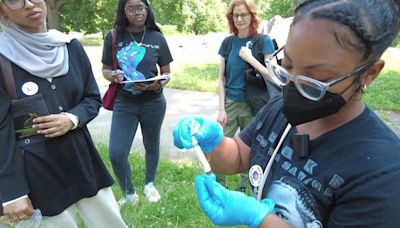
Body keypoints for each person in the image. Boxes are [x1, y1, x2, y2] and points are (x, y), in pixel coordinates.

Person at [173, 0, 400, 227]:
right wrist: (215, 142)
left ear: (369, 73)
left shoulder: (383, 172)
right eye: (288, 65)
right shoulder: (277, 109)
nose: (292, 85)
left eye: (316, 79)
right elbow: (240, 157)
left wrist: (260, 219)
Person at [0, 0, 127, 227]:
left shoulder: (70, 47)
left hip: (82, 161)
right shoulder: (2, 58)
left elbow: (91, 98)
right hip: (37, 175)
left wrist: (71, 119)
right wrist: (13, 192)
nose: (29, 4)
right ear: (3, 11)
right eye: (15, 0)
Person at [101, 0, 173, 206]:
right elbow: (106, 69)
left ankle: (150, 184)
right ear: (123, 12)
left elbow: (166, 73)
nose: (137, 12)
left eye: (140, 7)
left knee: (151, 145)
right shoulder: (113, 36)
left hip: (153, 101)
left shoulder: (157, 37)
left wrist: (155, 85)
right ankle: (129, 193)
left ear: (147, 9)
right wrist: (112, 75)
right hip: (125, 102)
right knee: (116, 153)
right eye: (131, 8)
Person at [216, 0, 276, 192]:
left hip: (254, 106)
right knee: (220, 146)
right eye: (236, 15)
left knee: (249, 148)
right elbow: (221, 78)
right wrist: (221, 109)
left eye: (244, 15)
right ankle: (220, 187)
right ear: (231, 18)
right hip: (231, 103)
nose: (240, 19)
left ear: (252, 16)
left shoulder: (263, 40)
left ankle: (245, 188)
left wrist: (251, 59)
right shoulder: (228, 42)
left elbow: (273, 75)